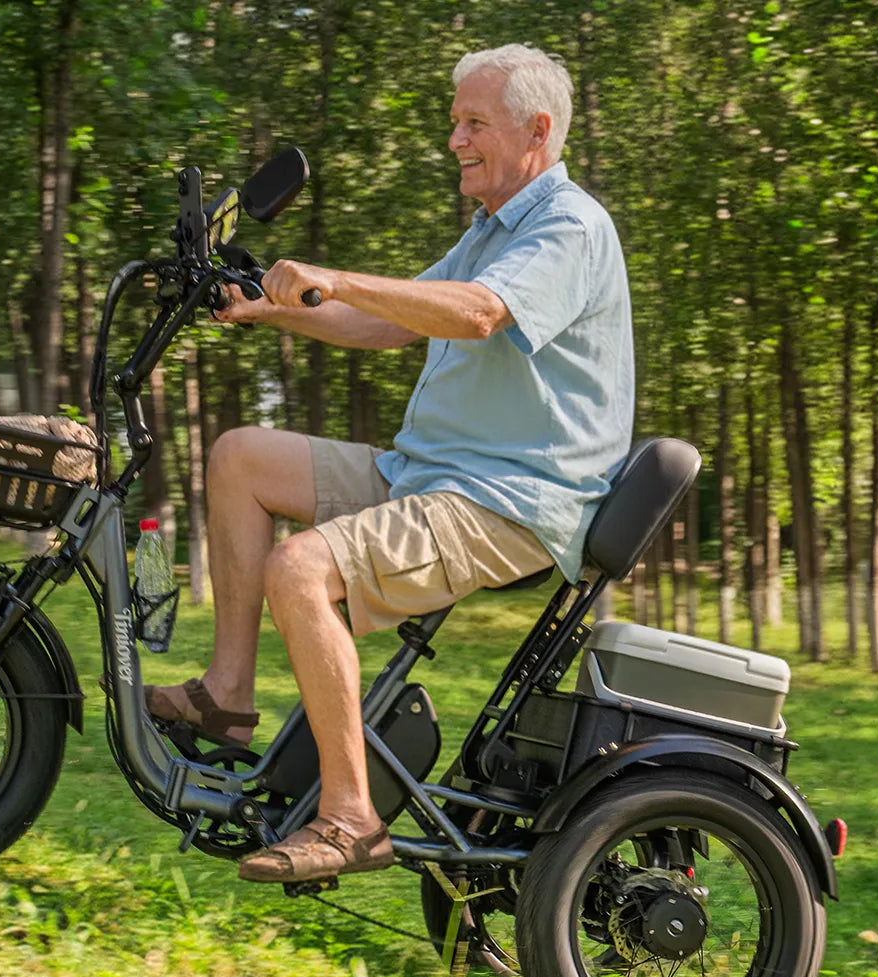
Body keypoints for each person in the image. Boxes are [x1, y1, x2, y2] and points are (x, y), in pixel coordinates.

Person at [145, 43, 636, 883]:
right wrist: (265, 308)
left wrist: (334, 275)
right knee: (238, 458)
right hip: (433, 474)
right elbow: (391, 324)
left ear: (538, 131)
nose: (454, 140)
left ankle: (351, 818)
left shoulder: (568, 226)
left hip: (508, 501)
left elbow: (479, 314)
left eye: (474, 123)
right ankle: (226, 696)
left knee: (299, 571)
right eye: (455, 123)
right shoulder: (493, 228)